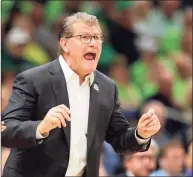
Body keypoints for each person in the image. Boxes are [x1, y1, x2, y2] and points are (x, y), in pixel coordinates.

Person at [2, 12, 161, 177]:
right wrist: (41, 127)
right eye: (84, 37)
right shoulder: (33, 80)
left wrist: (141, 133)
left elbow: (118, 137)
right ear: (65, 44)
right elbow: (6, 132)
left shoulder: (107, 87)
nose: (93, 43)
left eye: (97, 37)